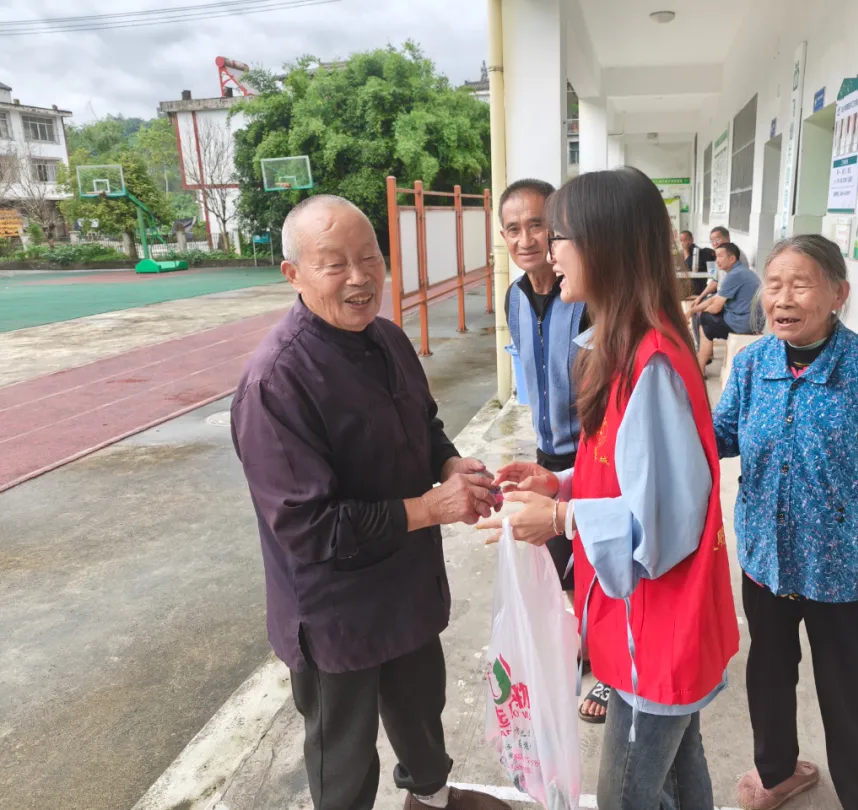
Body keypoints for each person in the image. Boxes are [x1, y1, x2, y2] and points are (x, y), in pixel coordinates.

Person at [231, 195, 508, 810]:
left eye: (370, 258)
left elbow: (425, 425)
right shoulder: (276, 381)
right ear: (293, 274)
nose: (359, 278)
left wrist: (450, 465)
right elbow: (310, 527)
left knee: (421, 712)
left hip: (404, 583)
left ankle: (432, 801)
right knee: (344, 758)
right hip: (336, 609)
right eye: (335, 264)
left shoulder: (389, 339)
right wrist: (432, 508)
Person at [480, 167, 741, 810]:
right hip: (646, 623)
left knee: (625, 794)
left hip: (659, 627)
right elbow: (626, 472)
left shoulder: (651, 364)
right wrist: (560, 481)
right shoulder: (622, 346)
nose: (548, 251)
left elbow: (665, 527)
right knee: (679, 773)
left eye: (557, 236)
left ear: (604, 245)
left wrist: (561, 519)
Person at [712, 234, 858, 810]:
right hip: (766, 559)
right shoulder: (753, 363)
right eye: (774, 285)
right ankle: (777, 771)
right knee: (767, 676)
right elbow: (722, 436)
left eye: (800, 285)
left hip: (850, 572)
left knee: (853, 695)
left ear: (839, 294)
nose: (782, 298)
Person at [500, 178, 610, 724]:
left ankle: (611, 669)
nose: (525, 239)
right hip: (547, 453)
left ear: (558, 229)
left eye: (537, 225)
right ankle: (582, 645)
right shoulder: (514, 296)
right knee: (556, 563)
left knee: (603, 565)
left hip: (592, 453)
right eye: (512, 229)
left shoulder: (584, 296)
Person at [691, 242, 762, 375]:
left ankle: (701, 366)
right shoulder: (742, 272)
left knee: (705, 319)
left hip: (743, 324)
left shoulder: (734, 275)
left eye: (720, 256)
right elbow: (715, 298)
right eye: (716, 257)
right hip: (753, 322)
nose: (717, 261)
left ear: (732, 258)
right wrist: (691, 311)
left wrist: (700, 311)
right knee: (704, 315)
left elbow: (715, 308)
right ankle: (702, 358)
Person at [679, 229, 716, 298]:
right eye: (681, 240)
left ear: (692, 240)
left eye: (685, 240)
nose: (683, 243)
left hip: (697, 291)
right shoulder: (680, 254)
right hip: (683, 291)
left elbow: (690, 267)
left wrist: (686, 250)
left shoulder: (700, 252)